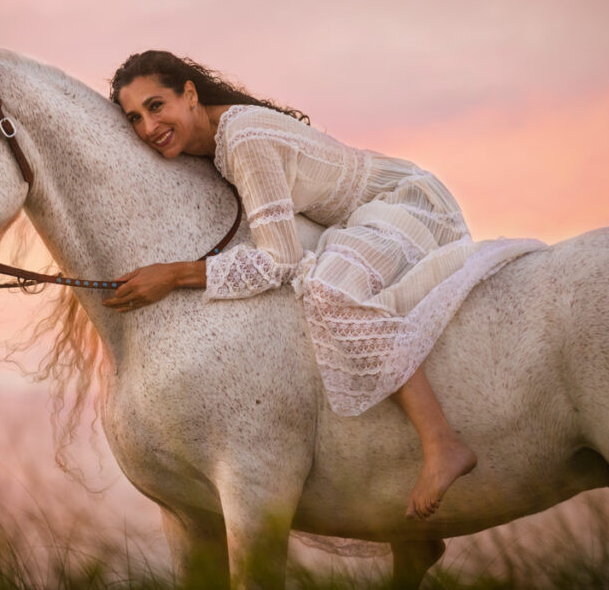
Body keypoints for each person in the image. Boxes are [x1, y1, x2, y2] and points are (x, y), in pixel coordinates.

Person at [102, 50, 545, 519]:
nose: (148, 127)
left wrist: (174, 274)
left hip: (405, 203)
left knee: (329, 291)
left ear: (189, 94)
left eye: (156, 106)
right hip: (362, 218)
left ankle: (443, 444)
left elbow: (279, 259)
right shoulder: (212, 141)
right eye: (134, 118)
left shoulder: (243, 139)